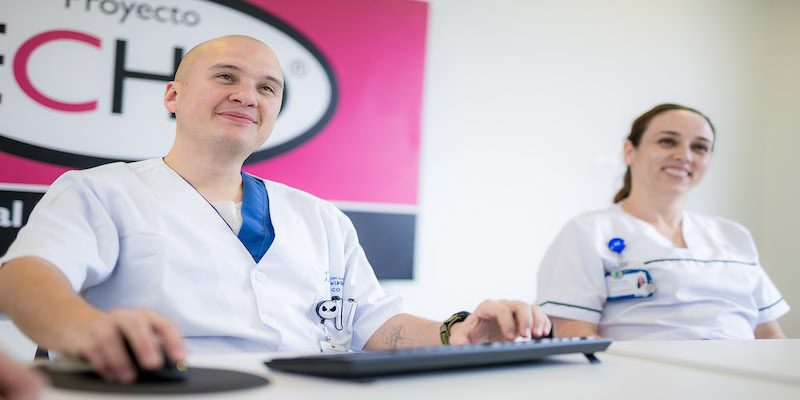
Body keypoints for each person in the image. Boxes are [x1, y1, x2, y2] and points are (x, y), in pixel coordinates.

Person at [0, 35, 550, 384]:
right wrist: (81, 330)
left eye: (268, 88)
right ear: (173, 95)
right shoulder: (99, 191)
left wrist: (462, 332)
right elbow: (25, 279)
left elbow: (375, 324)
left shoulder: (319, 217)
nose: (248, 96)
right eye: (225, 77)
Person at [536, 103, 789, 340]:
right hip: (645, 381)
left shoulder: (733, 235)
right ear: (629, 152)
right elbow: (574, 335)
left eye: (699, 147)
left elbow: (769, 334)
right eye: (668, 141)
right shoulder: (588, 231)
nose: (684, 155)